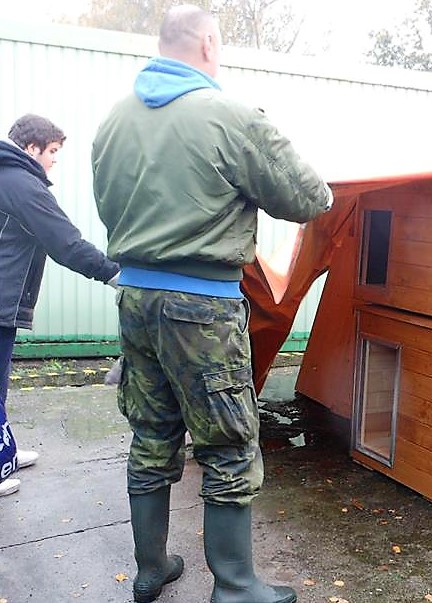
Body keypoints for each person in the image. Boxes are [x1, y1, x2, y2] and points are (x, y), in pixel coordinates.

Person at [91, 5, 332, 603]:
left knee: (150, 433)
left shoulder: (112, 120)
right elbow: (310, 197)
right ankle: (236, 585)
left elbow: (107, 204)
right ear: (207, 43)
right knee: (227, 443)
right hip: (202, 306)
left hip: (136, 299)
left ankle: (152, 568)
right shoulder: (228, 115)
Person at [0, 114, 120, 499]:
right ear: (32, 148)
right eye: (52, 151)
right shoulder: (20, 183)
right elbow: (65, 243)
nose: (54, 160)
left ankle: (6, 452)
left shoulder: (8, 176)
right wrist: (113, 274)